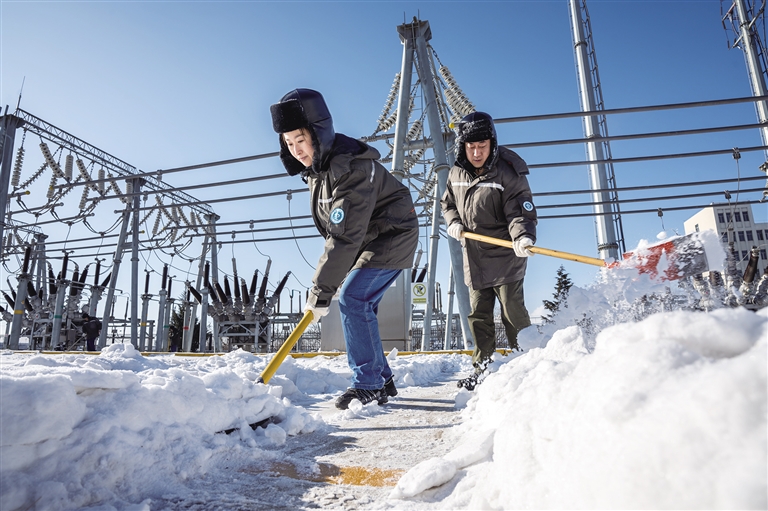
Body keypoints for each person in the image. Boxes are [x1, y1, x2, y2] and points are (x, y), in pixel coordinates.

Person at [270, 88, 419, 409]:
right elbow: (339, 234)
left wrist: (321, 290)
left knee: (353, 298)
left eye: (301, 139)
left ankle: (368, 384)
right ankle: (382, 379)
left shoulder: (348, 168)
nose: (296, 150)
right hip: (369, 239)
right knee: (361, 304)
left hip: (392, 234)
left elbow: (343, 235)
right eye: (289, 143)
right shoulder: (318, 171)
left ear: (318, 132)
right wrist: (327, 284)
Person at [440, 111, 537, 390]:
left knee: (512, 312)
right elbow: (448, 203)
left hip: (506, 254)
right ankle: (482, 368)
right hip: (475, 257)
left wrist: (522, 236)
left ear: (492, 143)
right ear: (462, 146)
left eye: (482, 146)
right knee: (479, 316)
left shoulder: (508, 170)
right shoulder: (456, 172)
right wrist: (453, 222)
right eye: (471, 147)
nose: (476, 153)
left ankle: (528, 366)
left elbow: (519, 210)